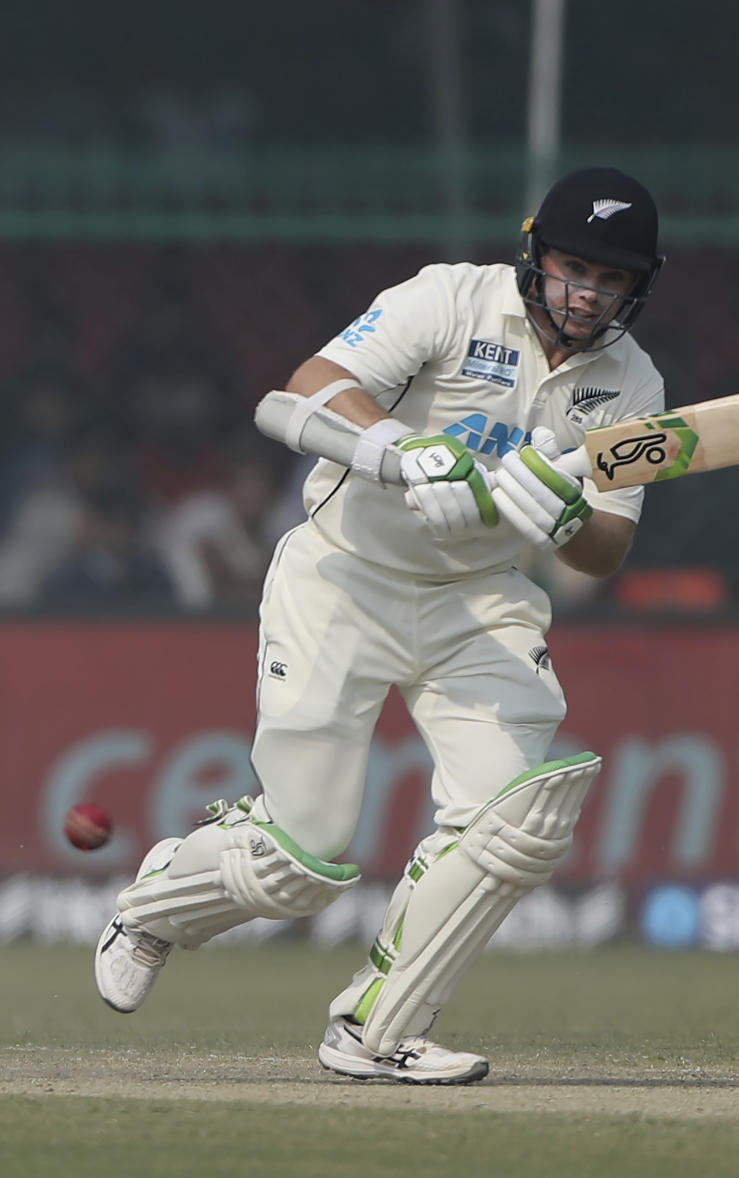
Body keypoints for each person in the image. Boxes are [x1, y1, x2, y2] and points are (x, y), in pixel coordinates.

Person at [94, 167, 666, 1084]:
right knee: (299, 860)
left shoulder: (633, 385)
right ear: (535, 256)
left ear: (638, 287)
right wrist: (405, 452)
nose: (588, 293)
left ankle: (374, 1027)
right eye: (571, 268)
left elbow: (607, 550)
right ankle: (158, 907)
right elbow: (308, 389)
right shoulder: (448, 298)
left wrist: (566, 519)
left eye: (611, 280)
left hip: (478, 600)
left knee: (516, 820)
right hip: (342, 575)